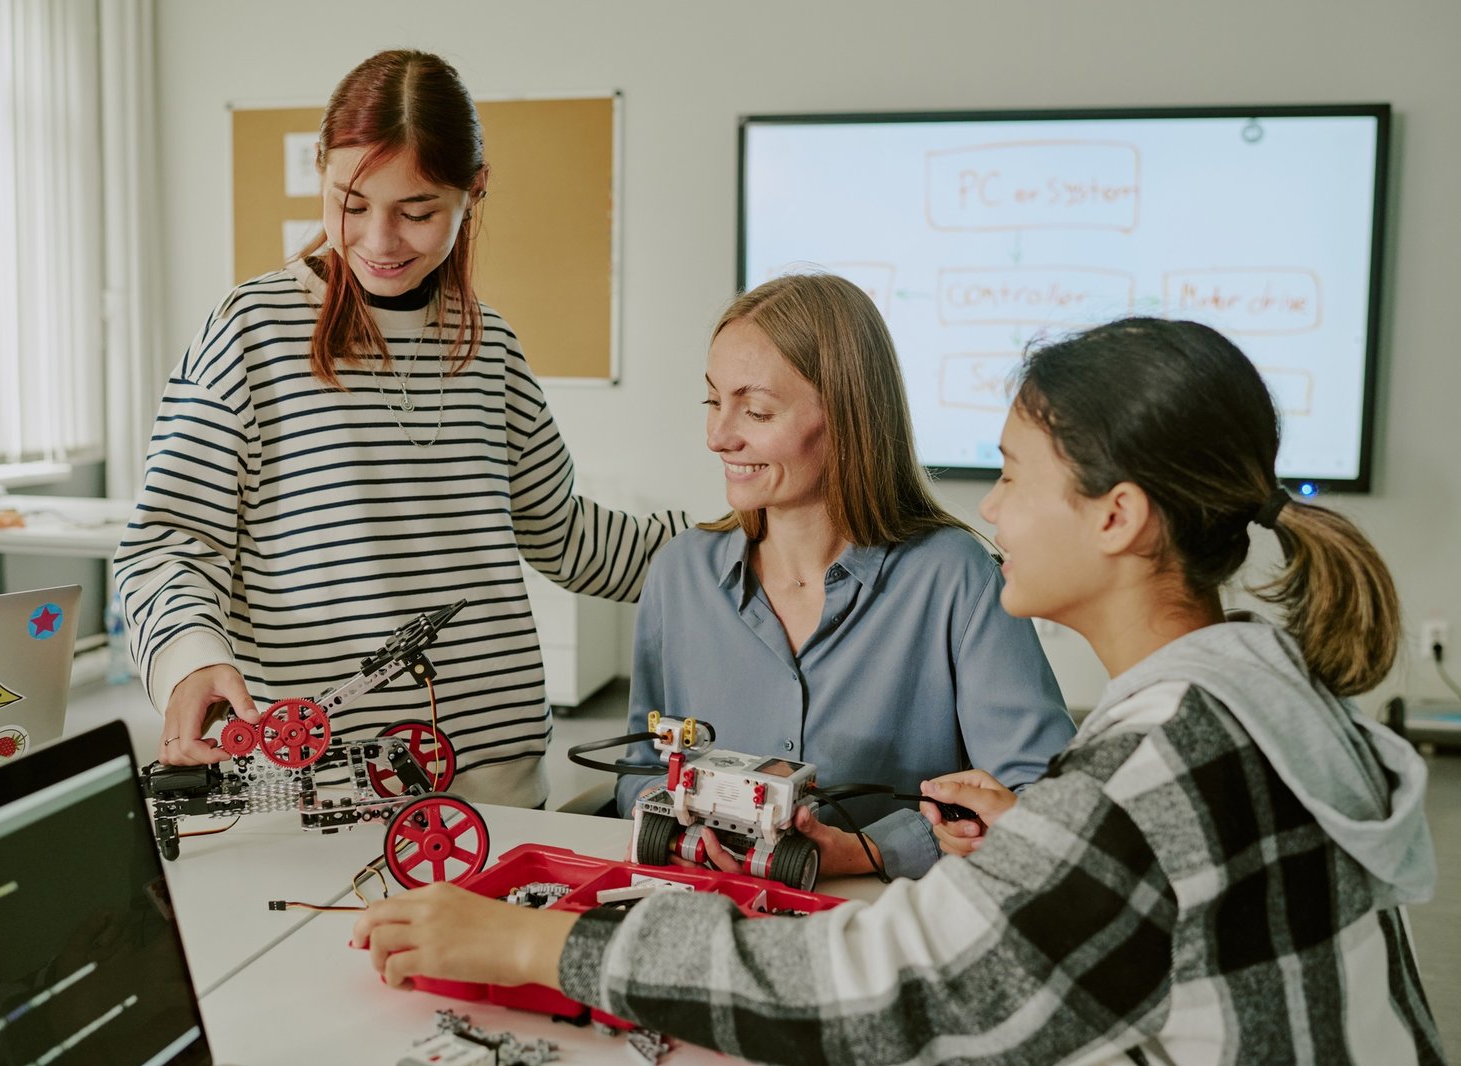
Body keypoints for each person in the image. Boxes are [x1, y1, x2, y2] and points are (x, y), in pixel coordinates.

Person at [352, 317, 1443, 1064]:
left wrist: (536, 947)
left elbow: (890, 987)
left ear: (1116, 517)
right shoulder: (1255, 690)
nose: (996, 511)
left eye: (1013, 477)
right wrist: (1048, 844)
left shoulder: (1141, 763)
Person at [114, 50, 686, 809]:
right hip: (316, 789)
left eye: (417, 212)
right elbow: (169, 543)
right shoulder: (251, 332)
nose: (380, 241)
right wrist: (189, 659)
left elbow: (568, 537)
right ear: (321, 168)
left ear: (472, 191)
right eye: (351, 203)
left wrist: (741, 545)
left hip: (495, 792)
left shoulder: (491, 347)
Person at [614, 273, 1074, 880]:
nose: (717, 435)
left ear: (849, 415)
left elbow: (1035, 800)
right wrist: (673, 830)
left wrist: (868, 851)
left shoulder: (956, 578)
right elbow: (640, 772)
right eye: (712, 401)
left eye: (755, 409)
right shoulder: (680, 574)